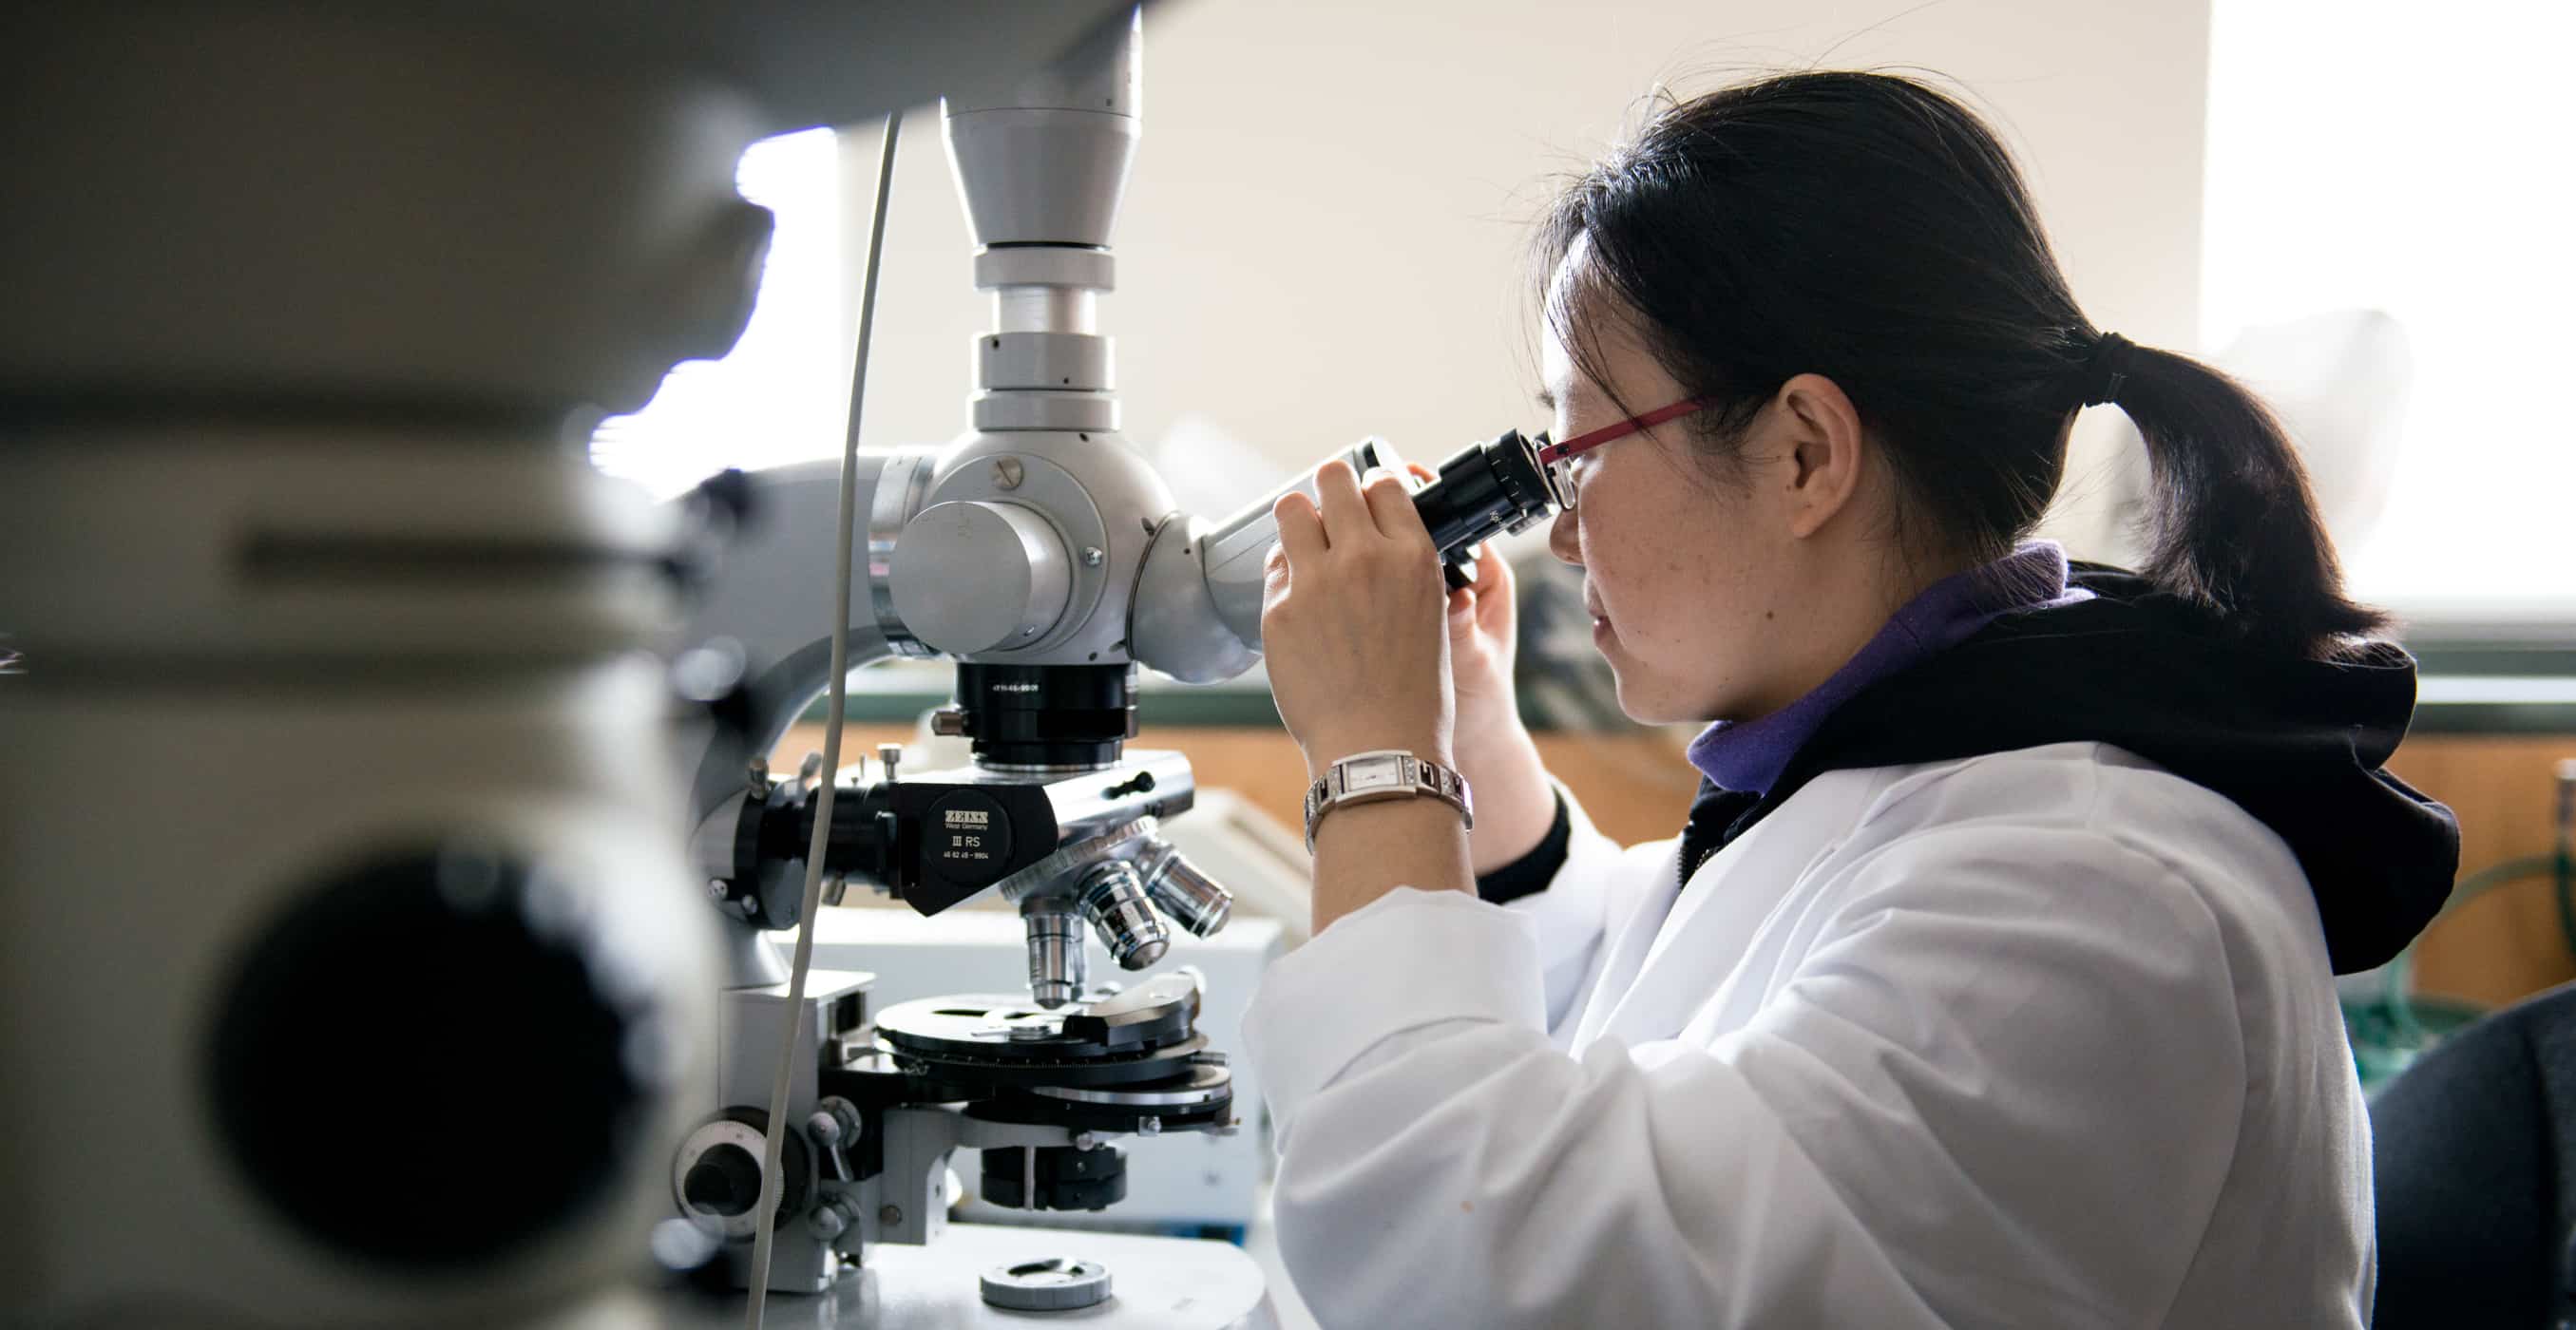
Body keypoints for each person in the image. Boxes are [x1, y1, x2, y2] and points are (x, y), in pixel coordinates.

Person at [1243, 71, 2459, 1328]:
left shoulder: (2084, 899)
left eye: (1578, 451)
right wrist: (1469, 734)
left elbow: (1492, 1256)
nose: (1561, 533)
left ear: (1805, 454)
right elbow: (1661, 990)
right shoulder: (1926, 753)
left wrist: (1377, 757)